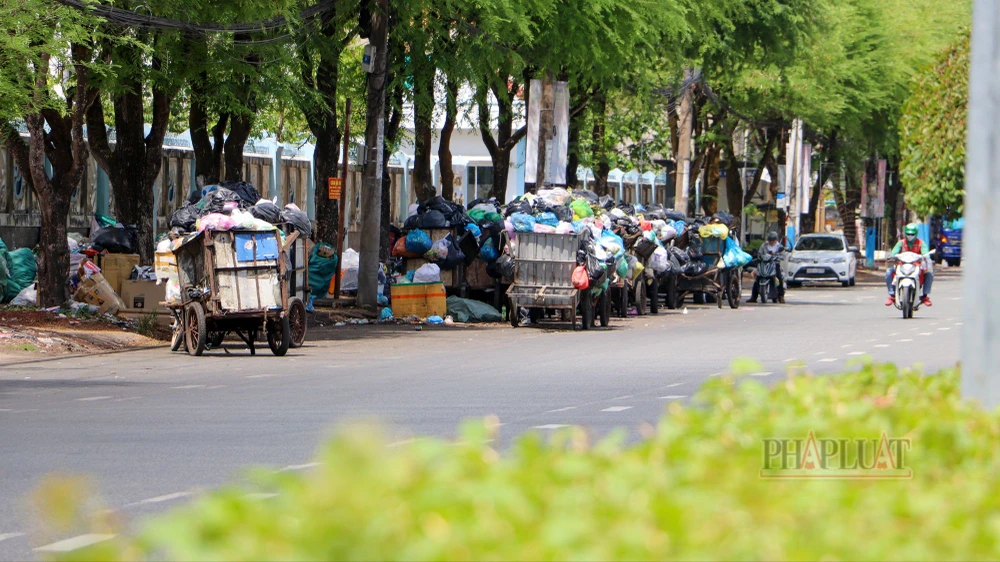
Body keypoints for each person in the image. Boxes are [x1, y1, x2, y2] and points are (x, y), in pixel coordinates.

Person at [885, 223, 933, 307]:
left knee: (929, 274)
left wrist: (926, 257)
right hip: (901, 266)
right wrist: (892, 257)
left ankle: (925, 296)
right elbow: (894, 252)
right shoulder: (901, 243)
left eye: (912, 234)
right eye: (908, 234)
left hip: (916, 266)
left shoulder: (921, 243)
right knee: (889, 272)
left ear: (916, 234)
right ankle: (892, 295)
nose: (910, 236)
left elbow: (926, 253)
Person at [749, 231, 785, 303]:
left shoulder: (779, 247)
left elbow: (782, 256)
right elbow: (759, 253)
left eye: (772, 240)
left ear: (776, 240)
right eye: (770, 240)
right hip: (764, 264)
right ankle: (753, 297)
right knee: (758, 278)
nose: (771, 242)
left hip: (774, 264)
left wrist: (776, 256)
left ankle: (781, 296)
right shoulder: (764, 245)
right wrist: (758, 256)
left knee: (779, 278)